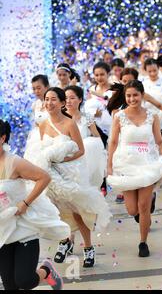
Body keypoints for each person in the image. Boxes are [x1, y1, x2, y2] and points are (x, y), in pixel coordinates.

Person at [37, 87, 111, 268]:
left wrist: (63, 159)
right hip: (52, 175)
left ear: (62, 103)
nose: (49, 103)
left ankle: (88, 247)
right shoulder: (43, 125)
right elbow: (42, 151)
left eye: (53, 99)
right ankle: (65, 242)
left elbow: (81, 150)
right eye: (46, 99)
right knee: (58, 212)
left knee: (77, 212)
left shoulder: (70, 124)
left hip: (71, 173)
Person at [0, 120, 70, 290]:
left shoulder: (14, 162)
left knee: (24, 280)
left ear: (2, 138)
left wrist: (25, 203)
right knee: (10, 285)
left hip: (23, 226)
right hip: (2, 231)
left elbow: (44, 177)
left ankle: (46, 270)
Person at [107, 80, 162, 256]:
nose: (132, 99)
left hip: (148, 163)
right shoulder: (119, 116)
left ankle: (143, 242)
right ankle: (145, 210)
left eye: (135, 95)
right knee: (132, 210)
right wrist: (109, 164)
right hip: (126, 165)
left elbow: (159, 141)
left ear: (142, 96)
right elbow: (112, 141)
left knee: (143, 207)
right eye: (129, 95)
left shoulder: (152, 116)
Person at [64, 85, 106, 189]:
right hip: (65, 157)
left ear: (80, 100)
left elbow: (97, 138)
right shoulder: (61, 117)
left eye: (72, 98)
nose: (68, 101)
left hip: (84, 157)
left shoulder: (87, 117)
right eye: (66, 98)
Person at [24, 75, 50, 163]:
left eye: (39, 88)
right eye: (34, 89)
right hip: (37, 136)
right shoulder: (35, 104)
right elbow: (36, 123)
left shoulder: (53, 102)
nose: (36, 91)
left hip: (51, 135)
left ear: (47, 87)